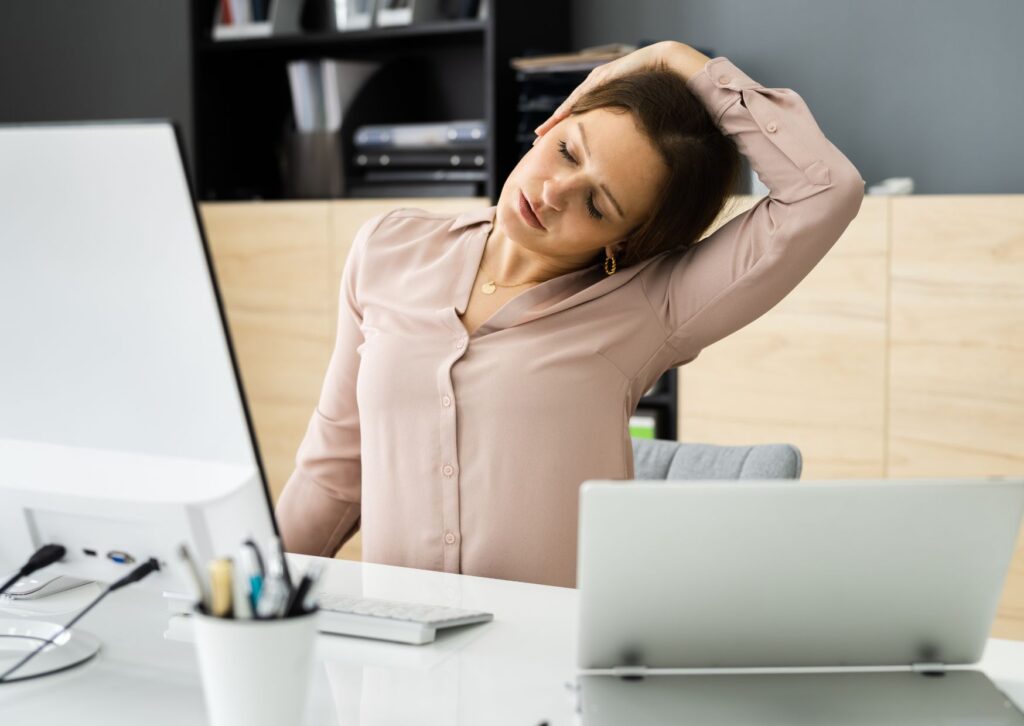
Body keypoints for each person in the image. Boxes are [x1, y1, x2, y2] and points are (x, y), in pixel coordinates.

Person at [275, 41, 865, 588]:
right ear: (551, 123)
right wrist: (248, 605)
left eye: (596, 203)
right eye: (567, 151)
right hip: (398, 664)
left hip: (550, 671)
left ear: (624, 242)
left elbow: (826, 190)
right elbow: (333, 475)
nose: (554, 192)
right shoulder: (388, 248)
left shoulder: (651, 306)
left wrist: (676, 57)